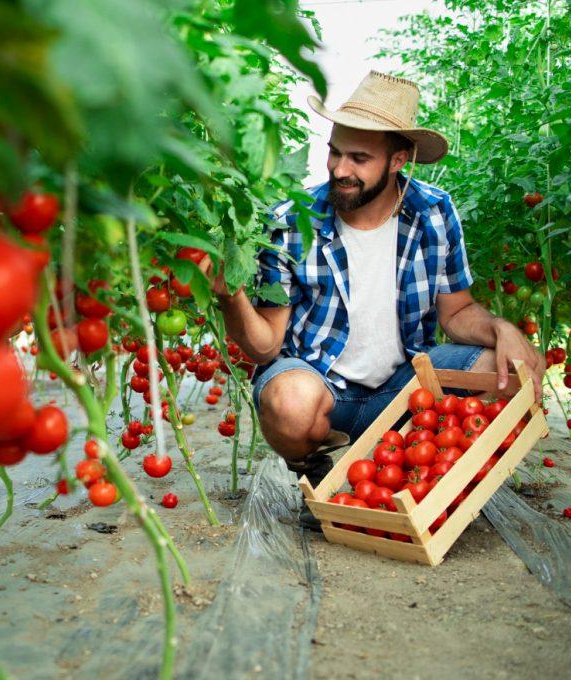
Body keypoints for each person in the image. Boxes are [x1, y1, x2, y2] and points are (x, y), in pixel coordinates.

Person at [201, 71, 545, 522]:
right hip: (325, 393)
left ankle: (411, 477)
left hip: (406, 393)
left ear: (398, 159)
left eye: (359, 158)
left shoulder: (433, 213)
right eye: (335, 152)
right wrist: (231, 298)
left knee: (506, 371)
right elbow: (265, 346)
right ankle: (321, 474)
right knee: (288, 400)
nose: (340, 169)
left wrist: (503, 329)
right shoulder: (290, 221)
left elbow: (456, 312)